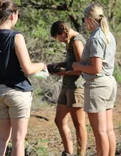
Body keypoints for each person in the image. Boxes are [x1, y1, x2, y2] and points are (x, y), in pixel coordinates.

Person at [0, 0, 46, 155]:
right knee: (18, 140)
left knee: (0, 139)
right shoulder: (15, 36)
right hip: (17, 93)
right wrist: (43, 65)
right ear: (12, 15)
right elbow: (28, 69)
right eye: (17, 14)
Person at [72, 3, 117, 156]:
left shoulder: (96, 37)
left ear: (90, 19)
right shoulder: (108, 34)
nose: (84, 23)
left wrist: (78, 65)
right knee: (108, 129)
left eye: (84, 20)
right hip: (109, 83)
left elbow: (95, 68)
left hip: (98, 85)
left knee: (100, 131)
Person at [48, 21, 87, 156]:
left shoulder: (77, 41)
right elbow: (72, 63)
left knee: (78, 124)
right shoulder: (69, 42)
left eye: (58, 38)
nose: (59, 41)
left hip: (77, 88)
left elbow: (82, 68)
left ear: (63, 32)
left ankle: (80, 153)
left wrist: (62, 73)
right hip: (67, 86)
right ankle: (67, 152)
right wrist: (57, 65)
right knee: (59, 120)